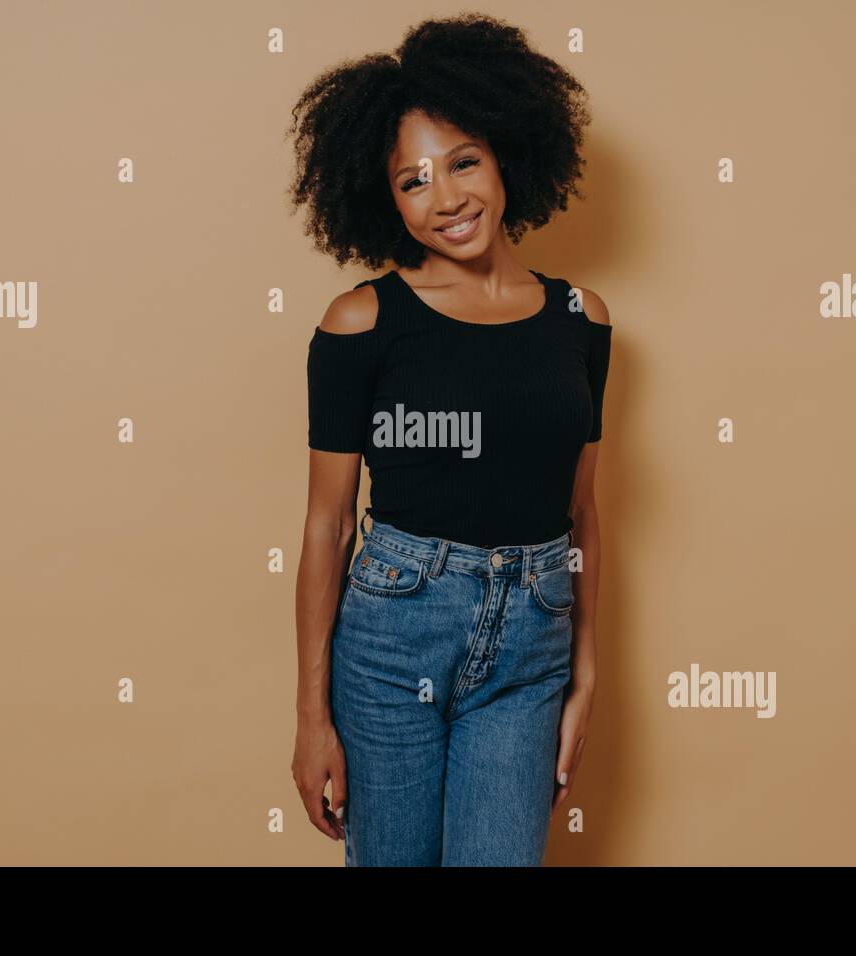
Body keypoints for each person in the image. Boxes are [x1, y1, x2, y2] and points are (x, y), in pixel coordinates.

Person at [287, 13, 611, 866]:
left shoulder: (582, 319)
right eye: (413, 181)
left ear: (506, 152)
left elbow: (584, 513)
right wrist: (311, 718)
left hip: (531, 645)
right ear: (383, 198)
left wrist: (586, 677)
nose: (447, 197)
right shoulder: (361, 322)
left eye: (463, 161)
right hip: (394, 636)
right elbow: (327, 526)